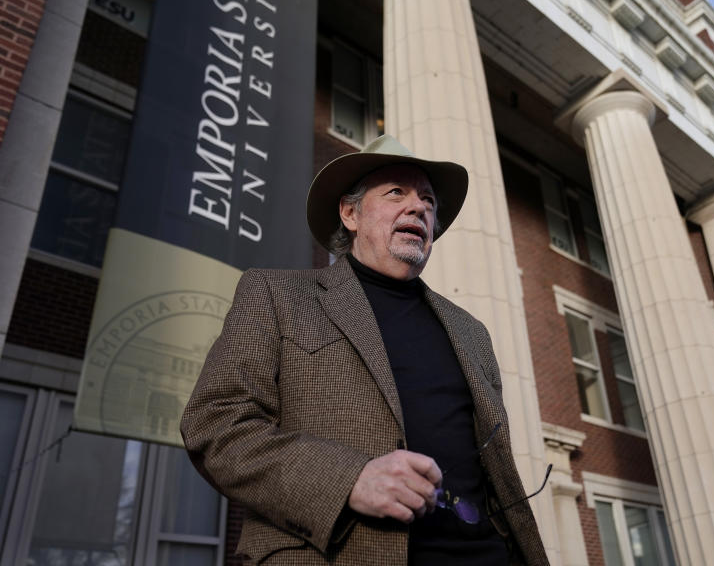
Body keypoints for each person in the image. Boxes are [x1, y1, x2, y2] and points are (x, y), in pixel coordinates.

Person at [180, 135, 548, 565]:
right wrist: (349, 480)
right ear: (350, 213)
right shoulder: (275, 294)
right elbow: (216, 424)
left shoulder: (472, 332)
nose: (419, 207)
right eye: (397, 192)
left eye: (428, 200)